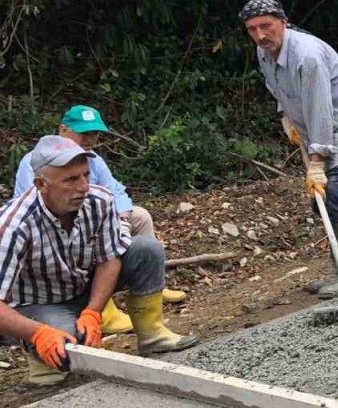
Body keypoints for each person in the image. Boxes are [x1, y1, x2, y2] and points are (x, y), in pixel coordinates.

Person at [0, 136, 198, 385]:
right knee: (69, 345)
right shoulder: (14, 224)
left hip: (81, 288)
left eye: (85, 175)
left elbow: (109, 259)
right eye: (71, 180)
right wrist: (38, 333)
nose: (83, 186)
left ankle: (152, 335)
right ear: (41, 184)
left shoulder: (99, 201)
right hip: (38, 305)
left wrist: (93, 312)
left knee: (146, 249)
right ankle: (43, 359)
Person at [13, 105, 188, 338]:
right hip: (48, 252)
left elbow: (115, 191)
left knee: (141, 224)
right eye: (84, 133)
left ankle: (148, 302)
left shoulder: (93, 161)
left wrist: (120, 219)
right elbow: (44, 207)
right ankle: (94, 314)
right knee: (66, 340)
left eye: (94, 134)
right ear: (63, 130)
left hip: (90, 225)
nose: (90, 139)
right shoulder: (37, 167)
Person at [240, 0, 338, 299]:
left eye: (266, 26)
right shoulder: (264, 52)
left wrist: (316, 161)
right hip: (311, 131)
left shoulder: (307, 56)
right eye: (252, 29)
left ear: (283, 23)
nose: (260, 35)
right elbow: (278, 89)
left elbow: (321, 110)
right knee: (320, 201)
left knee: (333, 193)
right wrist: (287, 118)